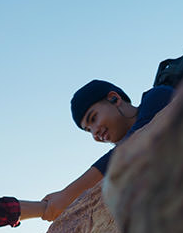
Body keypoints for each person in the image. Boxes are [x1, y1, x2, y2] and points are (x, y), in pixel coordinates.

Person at [41, 79, 175, 220]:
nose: (95, 133)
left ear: (114, 98)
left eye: (93, 118)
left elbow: (131, 145)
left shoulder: (158, 96)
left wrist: (67, 195)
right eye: (88, 130)